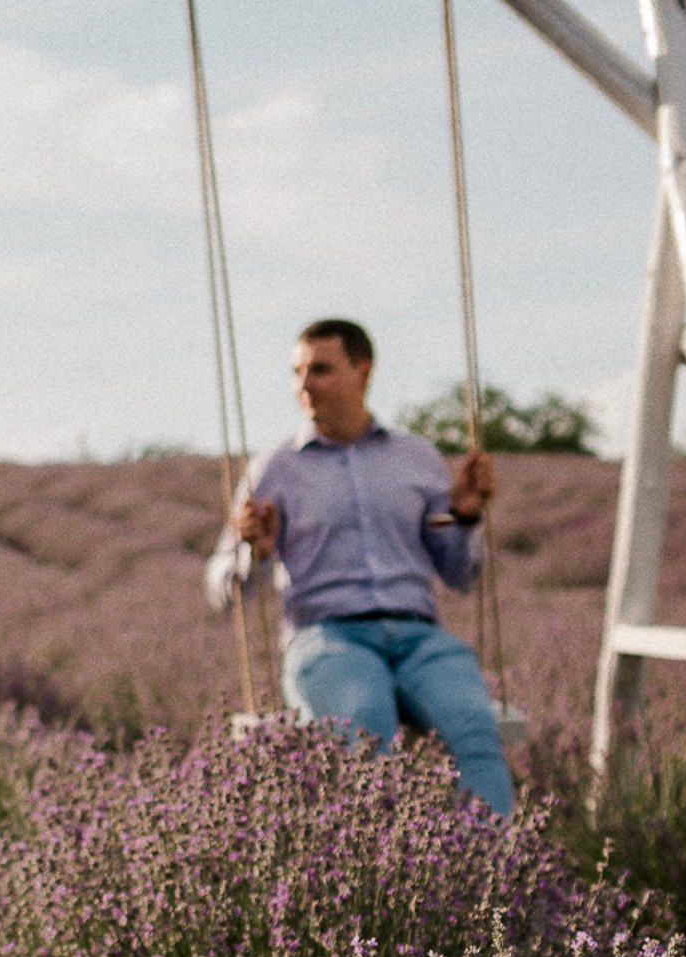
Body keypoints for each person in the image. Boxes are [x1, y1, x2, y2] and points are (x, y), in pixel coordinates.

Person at [206, 315, 514, 814]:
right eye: (297, 372)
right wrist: (254, 552)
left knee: (477, 733)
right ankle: (383, 881)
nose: (304, 384)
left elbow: (459, 573)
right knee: (364, 728)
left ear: (363, 372)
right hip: (328, 637)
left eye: (321, 370)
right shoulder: (274, 470)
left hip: (420, 638)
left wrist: (463, 516)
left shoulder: (417, 459)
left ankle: (492, 878)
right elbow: (223, 588)